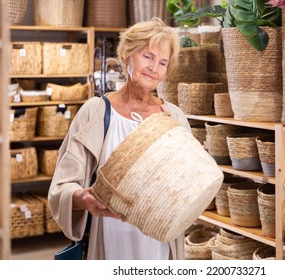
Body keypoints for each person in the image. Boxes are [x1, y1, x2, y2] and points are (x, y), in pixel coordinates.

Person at [48, 18, 191, 260]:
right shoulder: (96, 112)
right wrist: (83, 198)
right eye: (147, 56)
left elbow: (188, 180)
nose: (154, 67)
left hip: (159, 243)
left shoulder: (174, 116)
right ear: (127, 55)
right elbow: (62, 186)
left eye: (163, 62)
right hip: (110, 240)